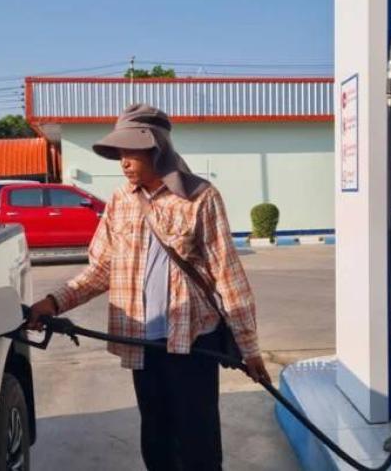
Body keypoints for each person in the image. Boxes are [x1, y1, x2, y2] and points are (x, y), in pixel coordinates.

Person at [27, 103, 270, 471]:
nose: (123, 162)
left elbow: (228, 276)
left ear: (157, 148)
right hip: (142, 344)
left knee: (198, 446)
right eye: (119, 153)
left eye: (132, 151)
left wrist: (249, 348)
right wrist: (53, 302)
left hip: (192, 343)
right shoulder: (121, 201)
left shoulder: (200, 197)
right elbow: (102, 269)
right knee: (156, 442)